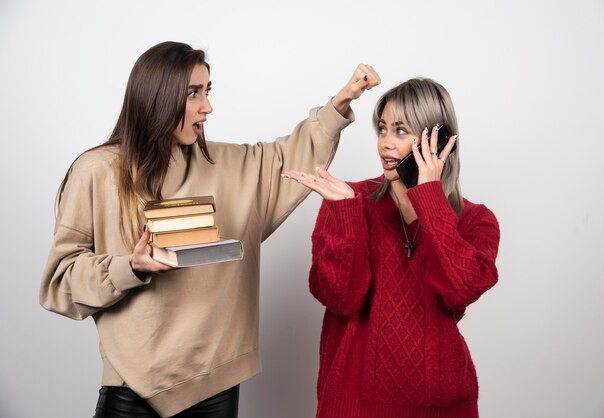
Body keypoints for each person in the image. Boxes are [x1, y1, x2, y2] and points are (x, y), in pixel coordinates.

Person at [39, 41, 380, 418]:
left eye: (207, 91)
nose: (208, 106)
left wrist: (343, 99)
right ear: (157, 98)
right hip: (132, 388)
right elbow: (60, 282)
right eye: (193, 93)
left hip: (215, 384)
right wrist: (130, 268)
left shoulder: (227, 164)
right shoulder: (96, 171)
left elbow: (288, 155)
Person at [283, 78, 500, 418]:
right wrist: (345, 215)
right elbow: (342, 299)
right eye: (382, 129)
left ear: (439, 140)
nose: (384, 143)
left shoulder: (476, 220)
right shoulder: (346, 200)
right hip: (354, 404)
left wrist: (428, 196)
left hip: (443, 406)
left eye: (400, 131)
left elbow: (460, 291)